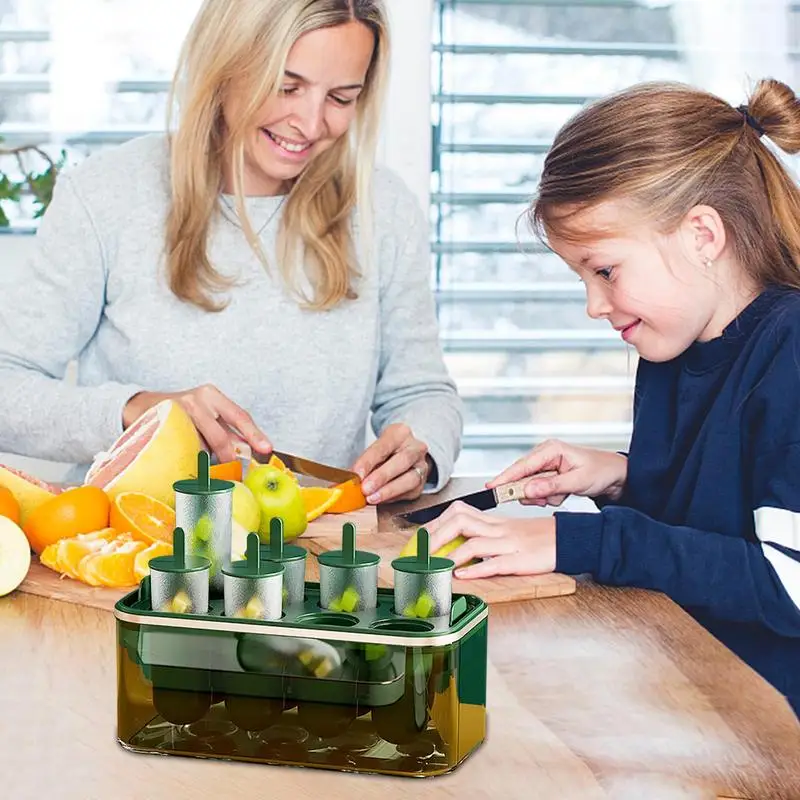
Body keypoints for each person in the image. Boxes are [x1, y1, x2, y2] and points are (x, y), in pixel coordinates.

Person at [425, 77, 800, 715]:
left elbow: (787, 581)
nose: (594, 306)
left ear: (703, 235)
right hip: (686, 697)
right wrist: (618, 479)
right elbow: (717, 522)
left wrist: (582, 542)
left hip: (767, 735)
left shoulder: (791, 350)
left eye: (604, 271)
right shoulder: (671, 344)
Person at [0, 0, 463, 506]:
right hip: (138, 549)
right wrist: (134, 410)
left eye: (340, 97)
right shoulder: (105, 195)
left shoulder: (383, 208)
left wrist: (420, 448)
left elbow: (422, 392)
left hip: (314, 549)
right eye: (287, 87)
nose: (310, 124)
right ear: (227, 66)